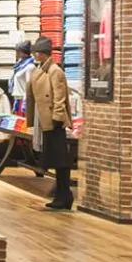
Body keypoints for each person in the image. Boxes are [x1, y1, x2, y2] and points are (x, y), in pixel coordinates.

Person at [30, 35, 76, 210]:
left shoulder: (55, 71)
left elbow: (60, 96)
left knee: (60, 160)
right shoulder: (42, 69)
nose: (35, 55)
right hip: (46, 120)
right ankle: (62, 193)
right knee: (56, 159)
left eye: (37, 52)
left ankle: (64, 194)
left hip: (54, 121)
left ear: (43, 53)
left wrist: (57, 117)